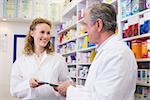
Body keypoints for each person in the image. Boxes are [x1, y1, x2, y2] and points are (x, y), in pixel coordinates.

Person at [56, 3, 137, 100]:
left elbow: (103, 98)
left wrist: (69, 91)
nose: (85, 30)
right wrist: (75, 88)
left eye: (86, 25)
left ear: (99, 24)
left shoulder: (117, 54)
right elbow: (96, 90)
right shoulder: (107, 50)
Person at [10, 18, 69, 100]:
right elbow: (14, 90)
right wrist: (28, 84)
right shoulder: (20, 61)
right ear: (32, 33)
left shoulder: (58, 59)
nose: (46, 36)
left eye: (48, 33)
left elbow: (66, 84)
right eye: (42, 32)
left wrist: (62, 88)